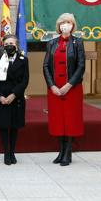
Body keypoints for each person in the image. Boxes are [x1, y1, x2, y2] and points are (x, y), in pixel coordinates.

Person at [43, 13, 85, 166]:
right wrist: (52, 85)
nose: (65, 24)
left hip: (72, 89)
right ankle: (60, 151)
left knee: (70, 120)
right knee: (58, 120)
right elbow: (46, 66)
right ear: (58, 25)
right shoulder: (51, 43)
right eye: (62, 22)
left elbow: (81, 66)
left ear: (73, 25)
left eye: (68, 22)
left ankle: (68, 152)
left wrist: (69, 85)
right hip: (55, 89)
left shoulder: (78, 43)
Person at [0, 34, 29, 165]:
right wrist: (0, 96)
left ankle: (12, 152)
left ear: (17, 45)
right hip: (1, 99)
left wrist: (13, 95)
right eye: (6, 44)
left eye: (11, 43)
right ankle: (6, 152)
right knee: (4, 127)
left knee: (14, 126)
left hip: (15, 98)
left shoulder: (23, 60)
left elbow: (24, 81)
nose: (9, 46)